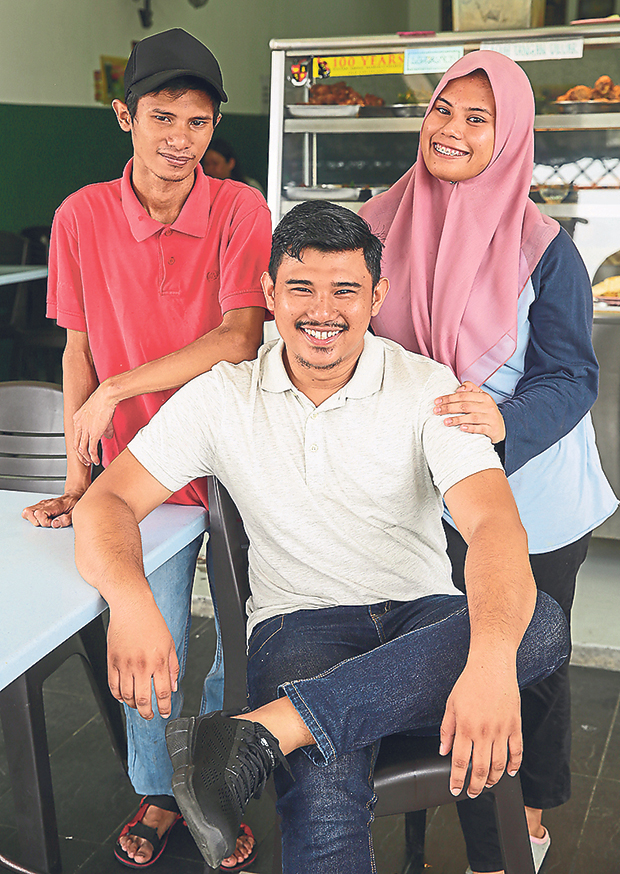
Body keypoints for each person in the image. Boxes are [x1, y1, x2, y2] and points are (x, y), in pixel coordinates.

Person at [71, 200, 570, 873]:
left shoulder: (426, 387)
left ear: (377, 297)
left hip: (427, 623)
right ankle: (291, 723)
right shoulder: (221, 396)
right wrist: (131, 603)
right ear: (270, 294)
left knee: (537, 622)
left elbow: (493, 524)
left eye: (346, 290)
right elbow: (107, 503)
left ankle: (268, 730)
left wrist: (486, 662)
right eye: (301, 287)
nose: (322, 310)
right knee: (325, 812)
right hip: (300, 628)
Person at [359, 50, 618, 874]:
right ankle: (449, 808)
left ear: (509, 139)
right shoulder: (377, 224)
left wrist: (504, 422)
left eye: (480, 119)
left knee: (526, 660)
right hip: (419, 493)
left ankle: (519, 831)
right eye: (444, 111)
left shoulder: (546, 249)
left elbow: (574, 374)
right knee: (442, 653)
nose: (454, 130)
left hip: (533, 494)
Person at [21, 27, 271, 871]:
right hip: (138, 478)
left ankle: (214, 778)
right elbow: (78, 352)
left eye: (198, 124)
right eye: (162, 117)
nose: (180, 140)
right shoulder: (82, 215)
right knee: (146, 641)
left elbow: (240, 339)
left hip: (235, 463)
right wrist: (78, 479)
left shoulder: (240, 209)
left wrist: (121, 390)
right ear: (125, 115)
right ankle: (161, 791)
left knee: (249, 644)